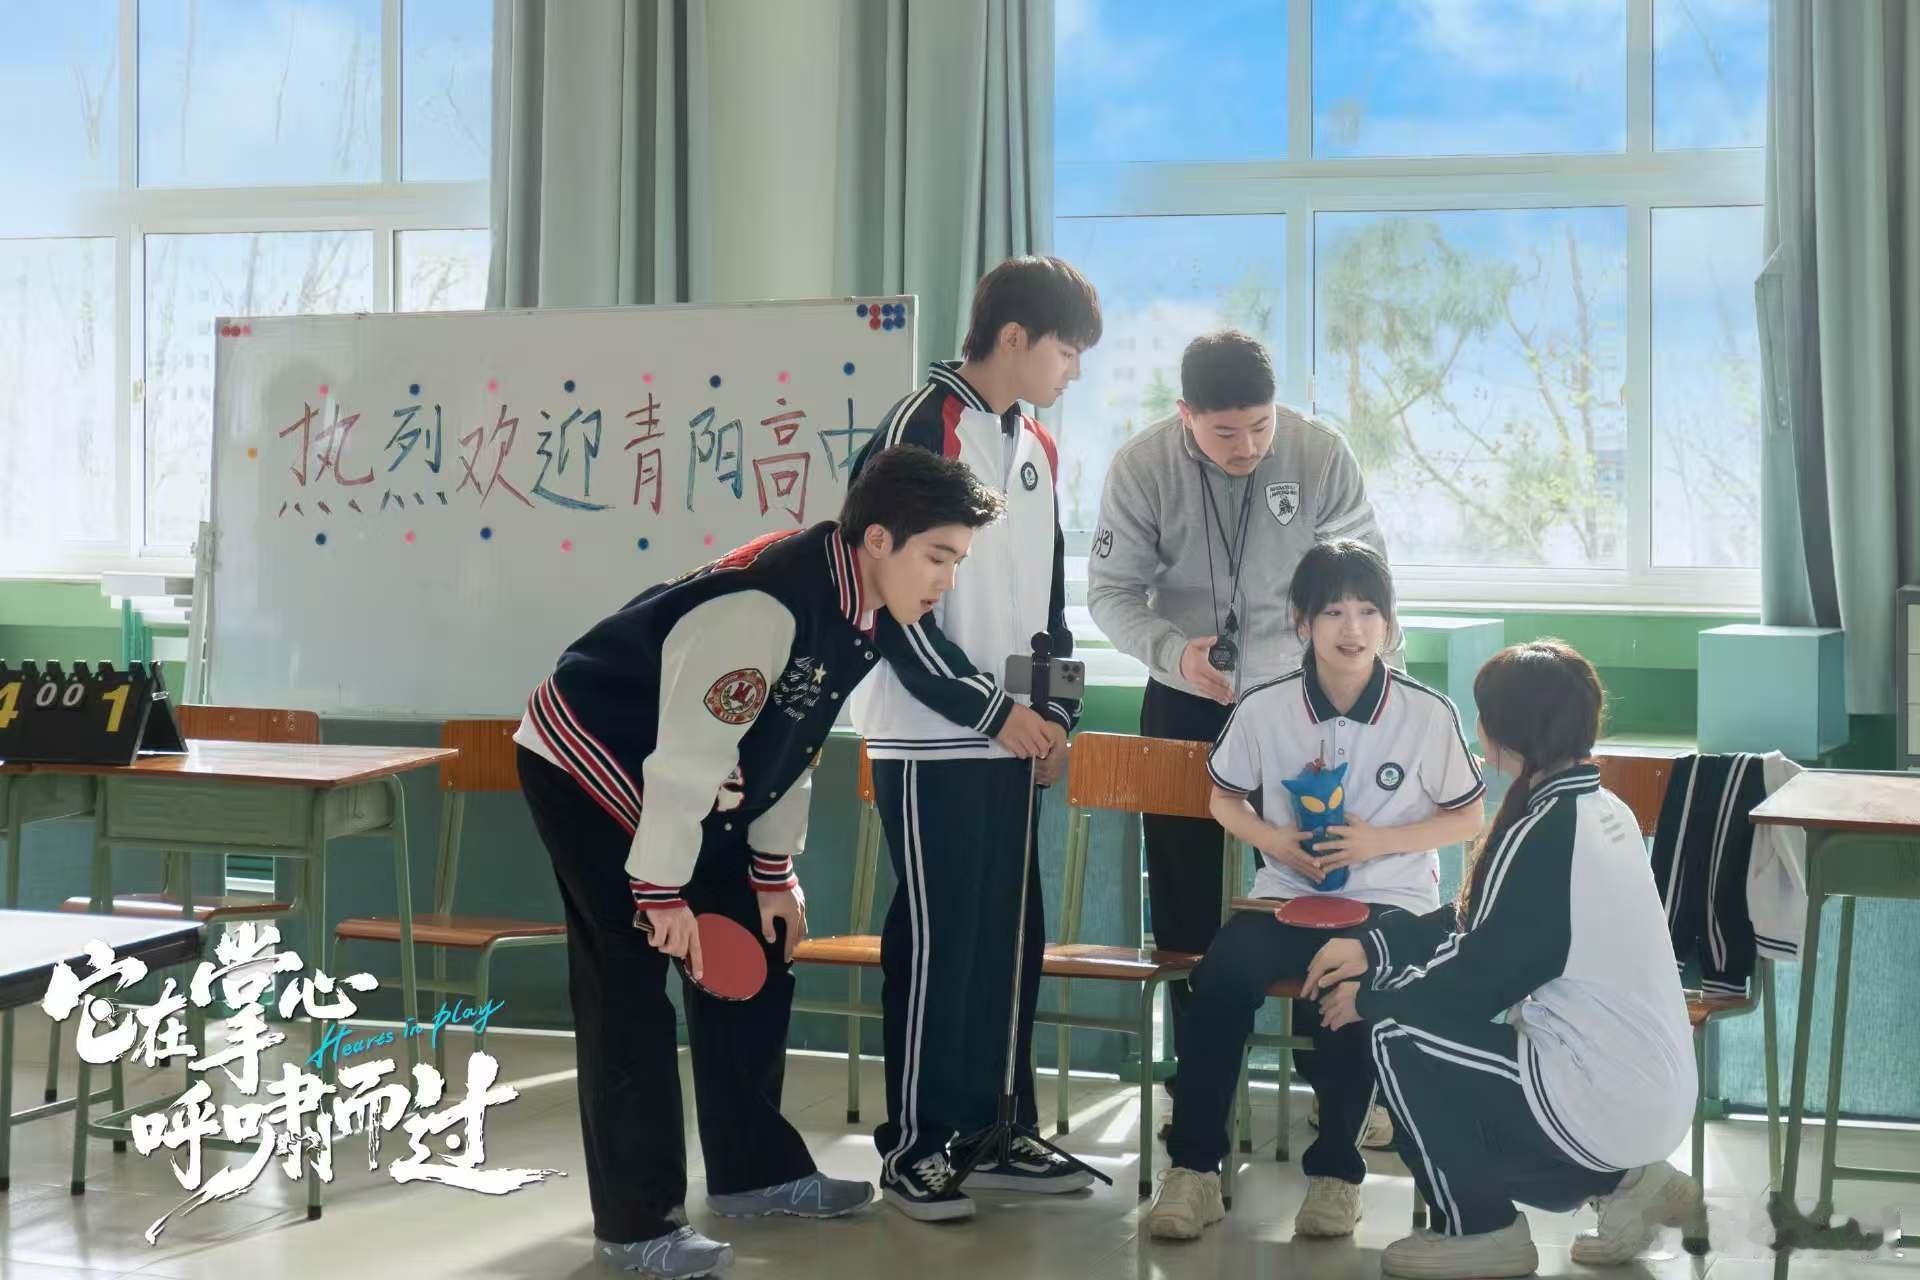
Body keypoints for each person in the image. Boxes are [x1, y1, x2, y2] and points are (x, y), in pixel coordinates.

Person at [515, 444, 1003, 1277]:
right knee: (629, 987)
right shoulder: (765, 607)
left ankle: (755, 1173)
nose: (946, 580)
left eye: (957, 561)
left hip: (696, 778)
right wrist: (659, 892)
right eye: (938, 556)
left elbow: (788, 741)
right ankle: (637, 1226)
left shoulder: (861, 607)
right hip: (591, 763)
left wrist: (773, 874)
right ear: (878, 540)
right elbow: (687, 755)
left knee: (758, 955)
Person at [1304, 640, 1701, 1279]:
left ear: (1503, 734)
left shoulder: (1545, 830)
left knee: (1396, 1033)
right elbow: (1481, 919)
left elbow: (1476, 979)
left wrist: (1372, 997)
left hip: (1604, 1098)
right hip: (1653, 1096)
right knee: (1423, 1026)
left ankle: (1482, 1230)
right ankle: (1632, 1184)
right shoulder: (1601, 809)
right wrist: (1375, 946)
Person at [849, 255, 1103, 1222]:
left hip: (1012, 739)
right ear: (1013, 338)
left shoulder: (1035, 441)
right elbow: (887, 600)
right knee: (942, 944)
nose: (1072, 370)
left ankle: (996, 1130)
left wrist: (1054, 715)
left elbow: (1048, 603)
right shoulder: (921, 427)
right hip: (929, 739)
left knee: (1010, 940)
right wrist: (992, 711)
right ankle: (917, 1147)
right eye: (1066, 351)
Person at [1143, 540, 1484, 1244]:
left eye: (1368, 611)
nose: (1352, 628)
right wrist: (1274, 841)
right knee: (1219, 977)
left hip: (1391, 905)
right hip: (1285, 897)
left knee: (1346, 982)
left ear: (1389, 622)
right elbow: (1223, 799)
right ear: (1301, 622)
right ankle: (1194, 1173)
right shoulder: (1265, 706)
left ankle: (1336, 1177)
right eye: (1333, 612)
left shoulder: (1426, 712)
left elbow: (1468, 817)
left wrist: (1376, 843)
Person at [1087, 328, 1387, 1127]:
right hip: (1185, 695)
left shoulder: (1320, 454)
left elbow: (1367, 580)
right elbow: (1110, 592)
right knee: (1183, 897)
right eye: (1225, 432)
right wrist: (1173, 654)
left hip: (1302, 702)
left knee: (1317, 889)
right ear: (1185, 413)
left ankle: (1335, 1087)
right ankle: (1200, 1091)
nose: (1248, 446)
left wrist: (1355, 682)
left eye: (1260, 425)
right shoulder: (1142, 466)